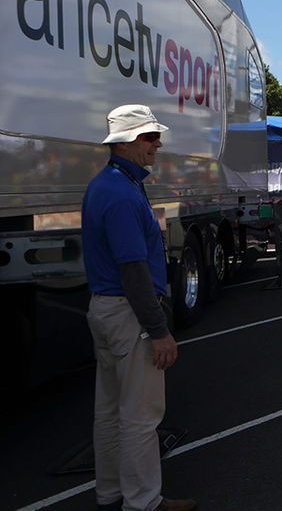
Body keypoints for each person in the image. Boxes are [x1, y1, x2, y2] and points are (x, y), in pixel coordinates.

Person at [81, 104, 196, 511]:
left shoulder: (106, 184)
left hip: (106, 309)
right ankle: (144, 502)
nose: (157, 143)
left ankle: (110, 492)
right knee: (141, 415)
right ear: (128, 142)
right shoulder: (121, 193)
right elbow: (133, 272)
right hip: (127, 313)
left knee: (110, 410)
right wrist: (158, 330)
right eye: (150, 137)